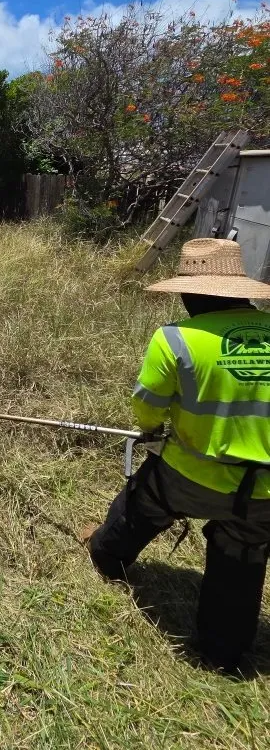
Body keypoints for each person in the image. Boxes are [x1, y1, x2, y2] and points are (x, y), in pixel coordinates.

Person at [85, 238, 270, 673]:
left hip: (196, 475)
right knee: (242, 552)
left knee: (144, 499)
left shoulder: (175, 340)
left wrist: (153, 430)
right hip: (265, 489)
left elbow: (147, 408)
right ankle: (222, 655)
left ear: (191, 292)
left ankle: (107, 557)